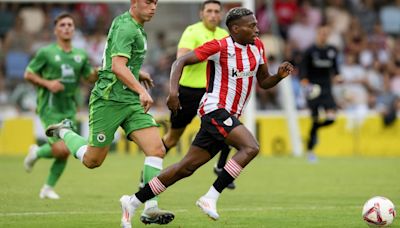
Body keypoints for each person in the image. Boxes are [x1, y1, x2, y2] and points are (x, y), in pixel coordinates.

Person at [118, 7, 293, 223]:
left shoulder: (258, 47)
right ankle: (210, 196)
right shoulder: (220, 46)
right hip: (214, 109)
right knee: (251, 147)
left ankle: (133, 201)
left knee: (186, 167)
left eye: (256, 24)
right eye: (252, 25)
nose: (257, 29)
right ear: (236, 29)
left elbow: (264, 82)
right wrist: (173, 92)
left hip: (227, 114)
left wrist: (279, 76)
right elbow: (179, 62)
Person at [45, 0, 174, 226]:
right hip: (108, 99)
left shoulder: (132, 24)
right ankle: (65, 131)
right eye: (148, 2)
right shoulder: (127, 27)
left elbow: (117, 60)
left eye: (156, 2)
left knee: (156, 149)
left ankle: (150, 207)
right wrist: (140, 89)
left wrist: (137, 72)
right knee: (93, 161)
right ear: (134, 3)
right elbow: (116, 66)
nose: (153, 7)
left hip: (130, 101)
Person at [141, 0, 236, 190]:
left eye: (217, 11)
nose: (213, 15)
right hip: (188, 92)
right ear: (201, 13)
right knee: (172, 138)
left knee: (229, 128)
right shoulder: (192, 32)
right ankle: (146, 175)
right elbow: (181, 58)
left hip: (212, 93)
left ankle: (220, 167)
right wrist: (206, 53)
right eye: (209, 11)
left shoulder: (224, 35)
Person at [23, 12, 98, 199]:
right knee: (62, 149)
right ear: (56, 30)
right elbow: (28, 74)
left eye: (70, 25)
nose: (66, 28)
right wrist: (48, 84)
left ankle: (47, 187)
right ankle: (37, 152)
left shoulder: (80, 55)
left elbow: (89, 77)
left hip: (69, 108)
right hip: (49, 106)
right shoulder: (46, 52)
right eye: (63, 25)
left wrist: (103, 70)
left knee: (65, 151)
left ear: (74, 30)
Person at [300, 25, 341, 163]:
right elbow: (303, 70)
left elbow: (336, 69)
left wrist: (338, 77)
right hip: (313, 89)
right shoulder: (310, 51)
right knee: (316, 118)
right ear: (317, 34)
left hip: (327, 89)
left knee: (331, 119)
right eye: (322, 33)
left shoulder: (332, 51)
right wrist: (305, 83)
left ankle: (315, 129)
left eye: (326, 33)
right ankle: (310, 150)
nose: (324, 36)